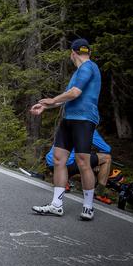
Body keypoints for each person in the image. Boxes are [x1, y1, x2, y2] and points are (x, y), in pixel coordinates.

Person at [31, 38, 101, 220]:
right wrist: (46, 106)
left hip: (84, 119)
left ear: (72, 53)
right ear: (88, 52)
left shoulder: (88, 67)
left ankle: (88, 207)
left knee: (83, 161)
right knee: (58, 159)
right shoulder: (79, 72)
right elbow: (68, 97)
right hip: (69, 119)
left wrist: (52, 100)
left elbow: (75, 93)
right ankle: (57, 204)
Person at [44, 130, 112, 201]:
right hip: (67, 165)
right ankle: (99, 193)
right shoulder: (88, 127)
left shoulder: (68, 123)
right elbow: (106, 149)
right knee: (107, 158)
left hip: (51, 163)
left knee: (73, 155)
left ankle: (63, 182)